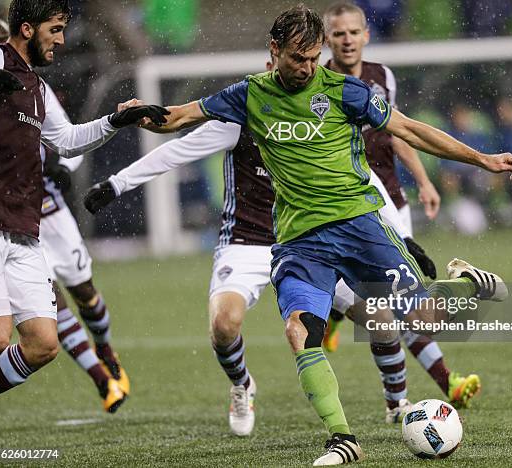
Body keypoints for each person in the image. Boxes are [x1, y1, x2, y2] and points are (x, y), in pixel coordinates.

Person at [133, 6, 512, 464]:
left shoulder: (345, 91)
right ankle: (342, 437)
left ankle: (466, 283)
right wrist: (138, 115)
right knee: (301, 331)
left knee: (424, 320)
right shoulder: (249, 94)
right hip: (301, 243)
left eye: (314, 58)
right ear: (274, 51)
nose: (307, 68)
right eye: (298, 58)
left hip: (360, 226)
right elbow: (177, 117)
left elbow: (410, 130)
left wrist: (483, 159)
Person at [84, 55, 437, 434]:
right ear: (273, 61)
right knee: (224, 323)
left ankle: (397, 402)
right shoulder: (247, 108)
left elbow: (361, 176)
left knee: (378, 317)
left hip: (312, 238)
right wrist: (118, 183)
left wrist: (400, 235)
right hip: (248, 238)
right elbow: (177, 149)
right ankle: (242, 384)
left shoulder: (323, 112)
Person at [0, 0, 167, 400]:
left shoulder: (36, 88)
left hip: (24, 232)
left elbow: (68, 142)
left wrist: (115, 120)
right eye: (54, 30)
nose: (61, 40)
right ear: (26, 29)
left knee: (42, 345)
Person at [321, 2, 481, 412]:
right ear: (328, 40)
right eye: (338, 34)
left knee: (400, 301)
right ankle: (439, 385)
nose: (347, 40)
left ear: (366, 35)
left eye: (353, 32)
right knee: (399, 303)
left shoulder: (381, 77)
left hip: (390, 199)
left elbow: (397, 133)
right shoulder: (318, 84)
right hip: (347, 204)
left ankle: (416, 388)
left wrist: (424, 181)